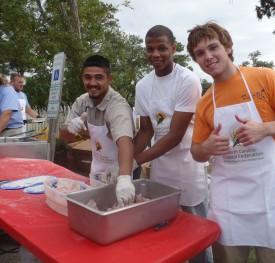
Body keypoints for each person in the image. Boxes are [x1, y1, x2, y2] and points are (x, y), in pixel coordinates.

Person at [187, 22, 275, 263]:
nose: (208, 56)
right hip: (228, 204)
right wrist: (206, 147)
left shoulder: (264, 77)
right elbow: (196, 153)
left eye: (213, 47)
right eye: (200, 53)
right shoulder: (205, 102)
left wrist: (265, 129)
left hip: (269, 196)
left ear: (228, 47)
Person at [133, 25, 211, 263]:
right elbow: (147, 130)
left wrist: (136, 160)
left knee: (196, 234)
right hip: (161, 168)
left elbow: (175, 135)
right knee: (164, 232)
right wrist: (126, 162)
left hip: (188, 165)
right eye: (150, 49)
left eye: (162, 48)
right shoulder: (142, 85)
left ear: (173, 49)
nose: (155, 54)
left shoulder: (187, 80)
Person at [60, 54, 135, 207]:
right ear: (82, 78)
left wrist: (125, 177)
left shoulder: (118, 106)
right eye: (88, 77)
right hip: (96, 170)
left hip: (119, 171)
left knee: (119, 212)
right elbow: (64, 137)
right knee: (95, 208)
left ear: (109, 79)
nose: (92, 83)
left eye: (99, 77)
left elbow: (125, 141)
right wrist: (69, 128)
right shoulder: (82, 102)